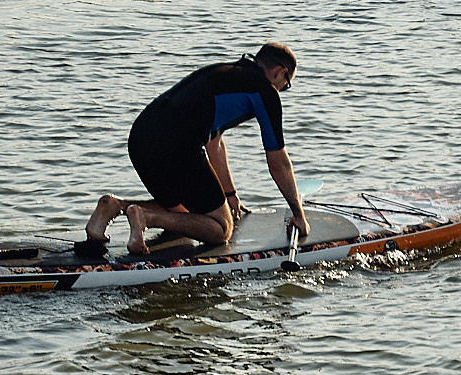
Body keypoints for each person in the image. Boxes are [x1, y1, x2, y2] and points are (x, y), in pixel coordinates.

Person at [84, 43, 308, 258]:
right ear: (281, 72)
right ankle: (144, 217)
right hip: (175, 144)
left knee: (186, 218)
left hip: (140, 137)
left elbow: (215, 143)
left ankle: (114, 206)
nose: (282, 89)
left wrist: (230, 195)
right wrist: (298, 214)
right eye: (286, 85)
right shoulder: (265, 91)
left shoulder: (225, 72)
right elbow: (278, 160)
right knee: (220, 229)